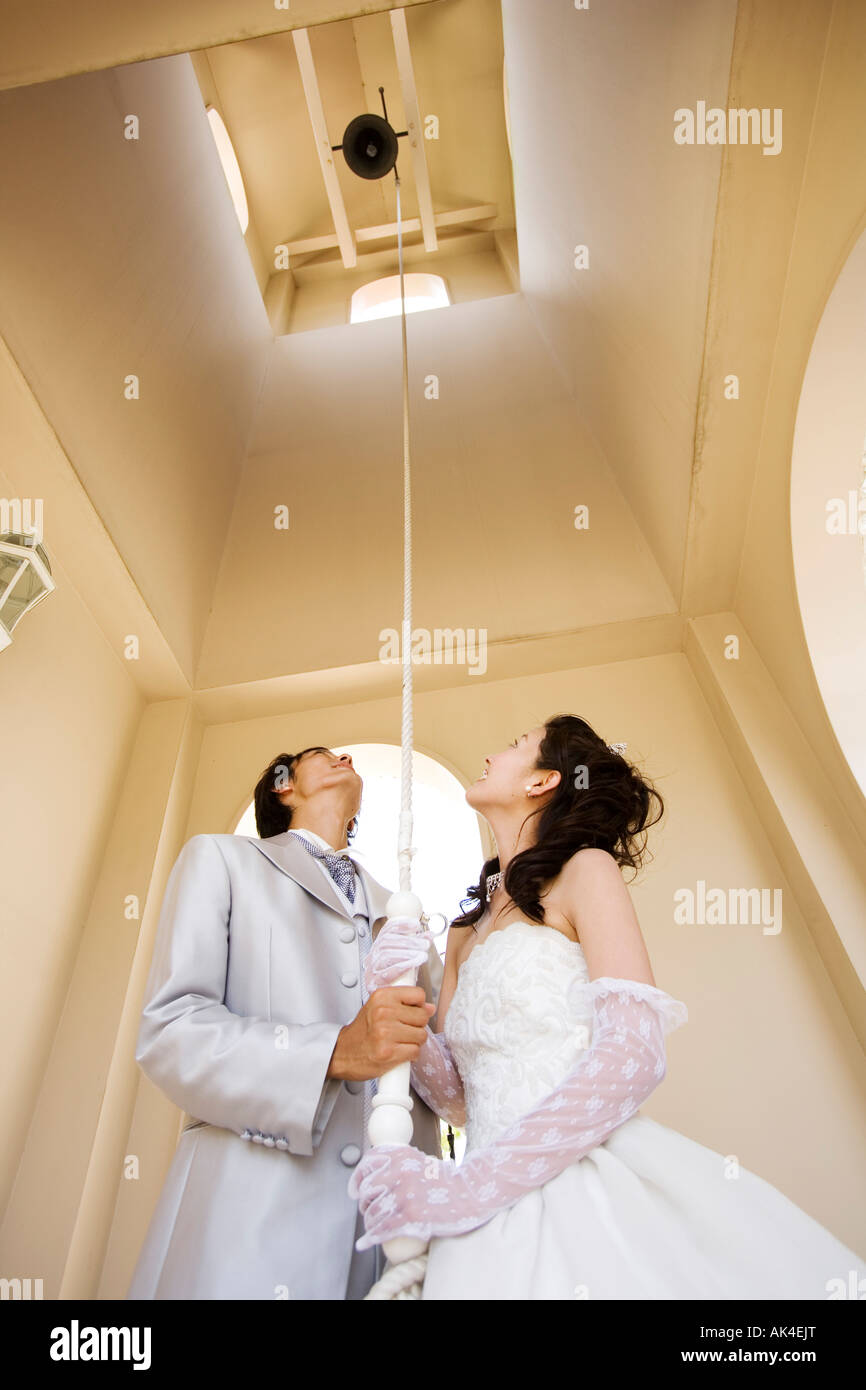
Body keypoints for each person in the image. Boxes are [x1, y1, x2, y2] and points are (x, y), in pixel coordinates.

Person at [350, 714, 866, 1299]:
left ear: (544, 781)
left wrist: (476, 1187)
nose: (494, 754)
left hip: (575, 1177)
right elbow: (457, 1099)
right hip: (485, 1204)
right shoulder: (467, 930)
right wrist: (390, 984)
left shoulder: (584, 871)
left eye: (516, 744)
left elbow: (634, 1053)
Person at [126, 746, 443, 1300]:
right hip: (247, 1222)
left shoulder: (404, 911)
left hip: (388, 1243)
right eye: (320, 755)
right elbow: (170, 1032)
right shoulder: (220, 860)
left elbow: (437, 1057)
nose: (343, 755)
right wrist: (337, 1052)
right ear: (282, 787)